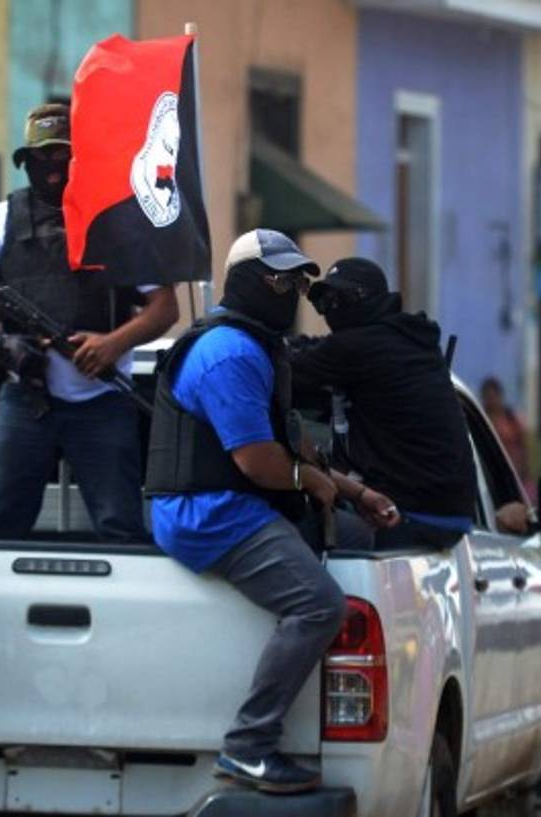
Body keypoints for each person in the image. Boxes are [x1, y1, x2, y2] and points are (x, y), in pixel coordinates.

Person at [145, 230, 398, 794]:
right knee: (320, 603)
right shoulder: (230, 353)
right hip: (207, 512)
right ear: (246, 282)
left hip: (234, 503)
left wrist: (355, 493)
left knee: (355, 535)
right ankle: (249, 746)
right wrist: (309, 481)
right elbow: (258, 461)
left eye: (298, 284)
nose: (292, 294)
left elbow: (288, 447)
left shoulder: (257, 347)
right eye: (280, 281)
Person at [0, 103, 178, 542]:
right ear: (26, 161)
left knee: (121, 533)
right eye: (41, 157)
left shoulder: (116, 221)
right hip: (25, 398)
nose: (52, 168)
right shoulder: (5, 219)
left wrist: (112, 344)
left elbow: (165, 307)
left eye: (61, 155)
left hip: (102, 400)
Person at [290, 257, 477, 549]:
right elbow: (316, 351)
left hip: (408, 513)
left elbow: (285, 369)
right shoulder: (406, 342)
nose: (333, 309)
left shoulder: (361, 348)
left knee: (288, 528)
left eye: (342, 298)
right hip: (448, 515)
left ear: (370, 299)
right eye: (324, 302)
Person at [481, 377, 533, 498]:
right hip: (490, 478)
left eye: (493, 396)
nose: (491, 401)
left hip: (514, 476)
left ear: (500, 396)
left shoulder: (512, 419)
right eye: (487, 397)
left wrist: (524, 472)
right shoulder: (480, 421)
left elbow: (523, 447)